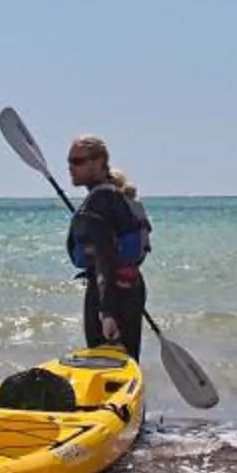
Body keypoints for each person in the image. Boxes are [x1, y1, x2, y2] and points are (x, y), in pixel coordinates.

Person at [64, 133, 152, 358]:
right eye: (69, 162)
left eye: (78, 161)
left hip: (110, 293)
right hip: (129, 287)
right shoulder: (112, 196)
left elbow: (105, 256)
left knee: (107, 375)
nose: (71, 167)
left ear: (99, 161)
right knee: (124, 368)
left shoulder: (101, 199)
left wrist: (107, 312)